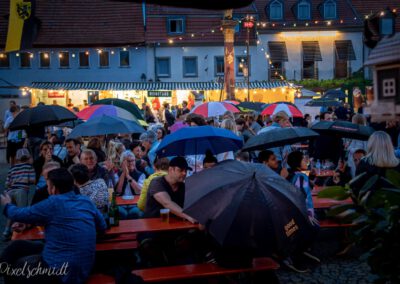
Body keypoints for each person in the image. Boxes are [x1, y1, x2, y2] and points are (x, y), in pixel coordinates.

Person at [0, 168, 107, 284]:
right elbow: (102, 226)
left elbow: (18, 214)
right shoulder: (86, 201)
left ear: (54, 189)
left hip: (58, 270)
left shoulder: (53, 202)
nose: (47, 189)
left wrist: (7, 204)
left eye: (48, 186)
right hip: (83, 267)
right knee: (18, 246)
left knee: (15, 268)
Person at [144, 157, 196, 223]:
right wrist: (188, 216)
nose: (184, 173)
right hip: (153, 226)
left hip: (175, 226)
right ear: (171, 169)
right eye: (180, 170)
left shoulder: (183, 186)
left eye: (185, 171)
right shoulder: (157, 182)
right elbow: (167, 203)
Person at [3, 149, 36, 239]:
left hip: (10, 191)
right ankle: (19, 234)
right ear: (28, 157)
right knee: (21, 212)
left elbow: (7, 183)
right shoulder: (29, 167)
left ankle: (6, 231)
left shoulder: (12, 168)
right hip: (21, 191)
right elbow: (32, 180)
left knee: (11, 211)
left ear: (17, 158)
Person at [116, 151, 146, 219]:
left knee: (135, 213)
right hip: (120, 205)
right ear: (122, 163)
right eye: (128, 161)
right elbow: (118, 191)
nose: (131, 163)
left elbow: (139, 191)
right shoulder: (117, 175)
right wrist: (124, 173)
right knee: (120, 212)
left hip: (135, 204)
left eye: (133, 160)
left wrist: (128, 176)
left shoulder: (141, 175)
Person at [287, 151, 315, 218]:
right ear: (297, 163)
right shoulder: (301, 177)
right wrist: (309, 214)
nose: (306, 161)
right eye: (303, 159)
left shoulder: (294, 175)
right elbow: (304, 196)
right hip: (306, 213)